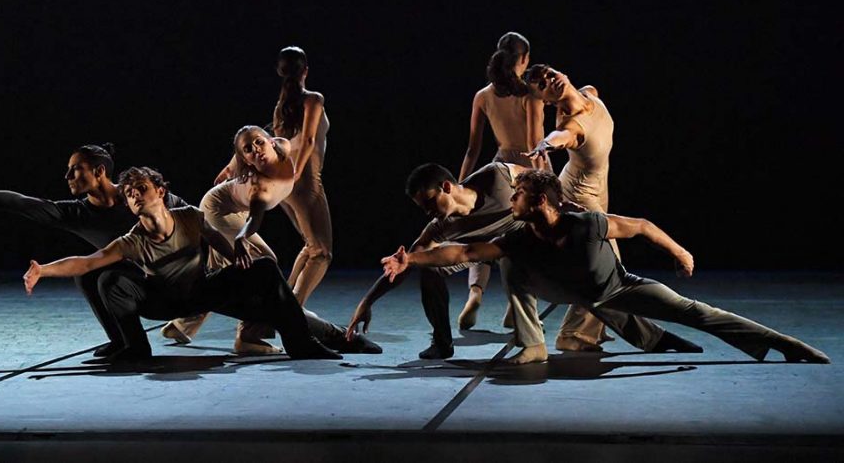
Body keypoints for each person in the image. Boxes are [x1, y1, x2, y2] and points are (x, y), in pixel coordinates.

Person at [381, 169, 830, 365]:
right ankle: (532, 345)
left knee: (693, 313)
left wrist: (680, 252)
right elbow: (463, 253)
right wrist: (412, 259)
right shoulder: (517, 235)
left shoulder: (586, 225)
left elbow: (641, 226)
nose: (509, 200)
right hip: (564, 289)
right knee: (507, 264)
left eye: (516, 195)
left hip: (615, 289)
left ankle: (784, 344)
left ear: (538, 201)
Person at [345, 163, 701, 360]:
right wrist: (366, 302)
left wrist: (565, 209)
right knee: (427, 268)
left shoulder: (498, 177)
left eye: (429, 201)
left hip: (533, 242)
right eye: (420, 207)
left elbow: (538, 181)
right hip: (490, 251)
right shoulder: (440, 226)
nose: (426, 211)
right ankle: (442, 341)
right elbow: (404, 262)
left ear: (447, 186)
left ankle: (654, 339)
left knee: (590, 288)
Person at [23, 166, 342, 362]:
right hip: (162, 300)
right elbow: (87, 262)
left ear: (160, 192)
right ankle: (135, 348)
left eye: (142, 189)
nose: (135, 196)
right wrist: (43, 270)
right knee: (109, 280)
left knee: (265, 269)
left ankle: (302, 343)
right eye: (130, 194)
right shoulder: (131, 240)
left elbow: (222, 244)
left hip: (202, 291)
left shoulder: (189, 216)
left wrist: (241, 261)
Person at [0, 143, 190, 357]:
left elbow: (191, 220)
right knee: (87, 275)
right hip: (137, 283)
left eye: (75, 170)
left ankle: (137, 349)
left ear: (99, 171)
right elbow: (23, 203)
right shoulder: (76, 212)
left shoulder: (139, 193)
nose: (67, 177)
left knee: (109, 278)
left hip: (172, 282)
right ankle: (121, 340)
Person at [165, 126, 380, 355]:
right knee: (262, 265)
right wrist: (241, 237)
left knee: (227, 273)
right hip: (219, 211)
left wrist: (229, 169)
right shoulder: (261, 189)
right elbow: (254, 221)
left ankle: (183, 326)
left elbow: (306, 140)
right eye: (248, 150)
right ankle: (248, 336)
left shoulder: (284, 145)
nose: (257, 150)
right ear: (246, 160)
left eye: (259, 142)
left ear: (271, 142)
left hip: (234, 206)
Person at [214, 46, 332, 306]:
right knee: (322, 253)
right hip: (305, 181)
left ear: (280, 72)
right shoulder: (313, 99)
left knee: (311, 244)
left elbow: (267, 138)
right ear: (306, 71)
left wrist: (231, 166)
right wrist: (299, 172)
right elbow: (310, 139)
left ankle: (282, 298)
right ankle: (290, 312)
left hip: (285, 185)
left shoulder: (282, 106)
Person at [523, 63, 621, 352]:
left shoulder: (590, 94)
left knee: (601, 264)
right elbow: (560, 138)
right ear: (546, 100)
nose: (550, 80)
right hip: (579, 197)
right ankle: (572, 335)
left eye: (550, 73)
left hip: (599, 191)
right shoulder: (571, 126)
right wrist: (545, 144)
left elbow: (592, 100)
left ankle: (595, 329)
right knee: (608, 265)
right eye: (543, 84)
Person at [455, 32, 548, 330]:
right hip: (526, 169)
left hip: (497, 168)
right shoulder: (530, 96)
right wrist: (545, 184)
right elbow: (535, 145)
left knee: (484, 232)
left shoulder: (482, 96)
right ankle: (515, 303)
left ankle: (474, 294)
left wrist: (461, 187)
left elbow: (472, 148)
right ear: (524, 60)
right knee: (529, 238)